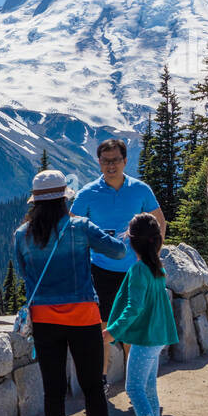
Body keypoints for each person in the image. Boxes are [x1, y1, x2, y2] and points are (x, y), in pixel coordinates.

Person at [12, 170, 128, 416]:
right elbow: (116, 253)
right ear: (65, 199)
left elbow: (25, 274)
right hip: (84, 318)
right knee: (92, 386)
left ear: (35, 203)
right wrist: (121, 236)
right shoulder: (80, 227)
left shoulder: (22, 235)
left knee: (53, 391)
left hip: (45, 320)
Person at [70, 139, 167, 391]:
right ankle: (100, 381)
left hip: (134, 272)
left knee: (132, 327)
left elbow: (160, 222)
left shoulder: (141, 190)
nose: (110, 165)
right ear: (99, 162)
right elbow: (71, 229)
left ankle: (134, 383)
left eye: (115, 160)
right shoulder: (87, 193)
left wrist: (150, 256)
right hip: (100, 271)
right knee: (102, 326)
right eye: (105, 160)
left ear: (125, 161)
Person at [105, 212, 179, 416]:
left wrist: (111, 331)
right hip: (158, 335)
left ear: (132, 241)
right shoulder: (156, 266)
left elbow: (133, 308)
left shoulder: (138, 269)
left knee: (134, 388)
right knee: (148, 388)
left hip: (146, 338)